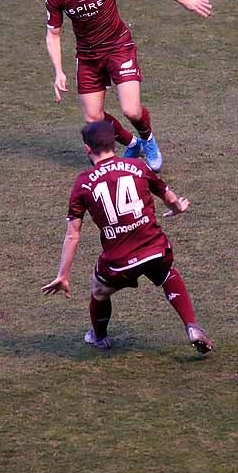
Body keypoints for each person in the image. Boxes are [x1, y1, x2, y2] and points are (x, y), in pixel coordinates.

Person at [44, 0, 213, 172]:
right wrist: (58, 71)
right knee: (93, 119)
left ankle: (148, 140)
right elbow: (53, 34)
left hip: (118, 48)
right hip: (88, 56)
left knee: (131, 110)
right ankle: (132, 143)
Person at [42, 120, 214, 354]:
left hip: (119, 260)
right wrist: (177, 209)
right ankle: (191, 326)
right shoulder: (138, 166)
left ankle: (99, 337)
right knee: (167, 273)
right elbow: (169, 196)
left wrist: (63, 275)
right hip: (154, 246)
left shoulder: (83, 182)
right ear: (114, 144)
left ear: (87, 149)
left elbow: (73, 234)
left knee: (99, 290)